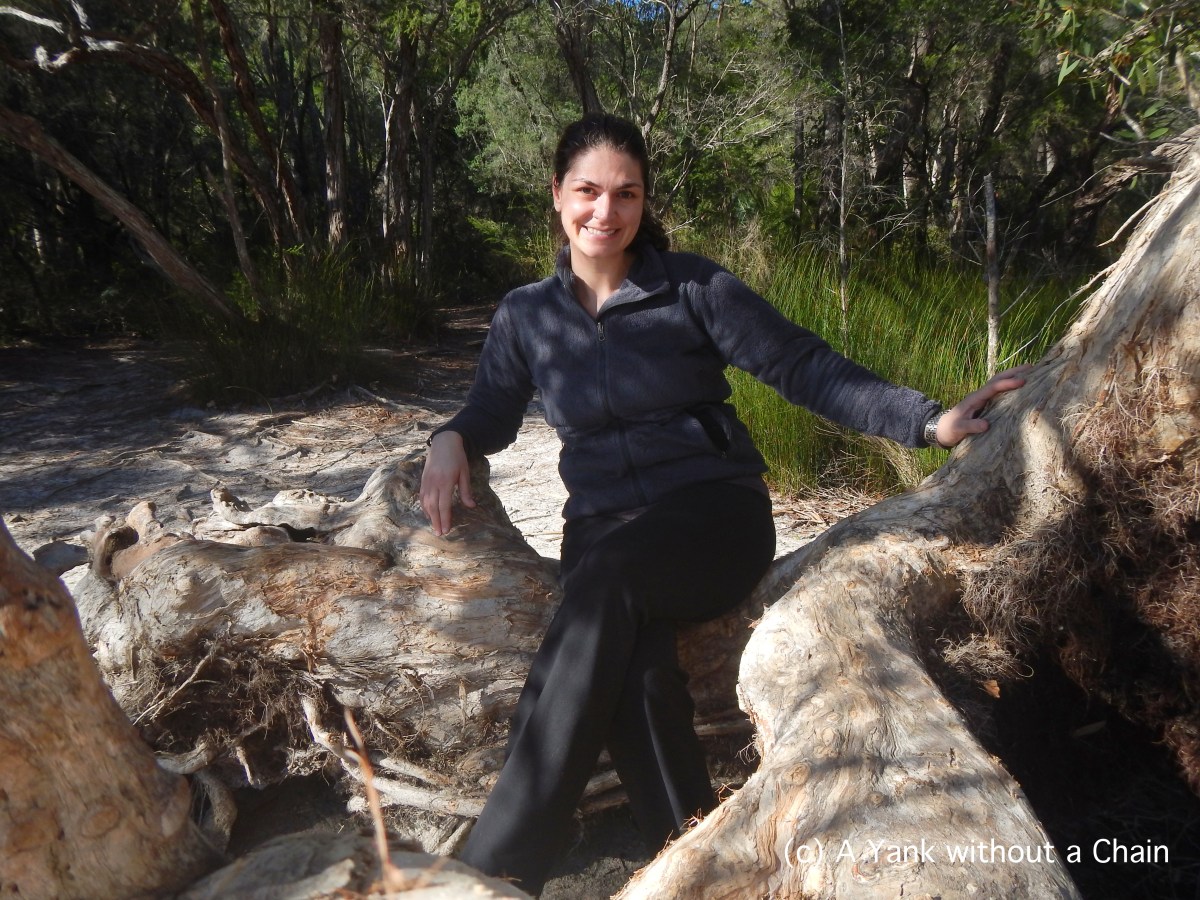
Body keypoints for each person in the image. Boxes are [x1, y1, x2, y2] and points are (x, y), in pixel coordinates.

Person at [420, 113, 1028, 894]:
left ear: (644, 201)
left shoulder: (693, 288)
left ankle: (493, 868)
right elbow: (491, 410)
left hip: (712, 515)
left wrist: (923, 419)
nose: (605, 212)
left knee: (607, 587)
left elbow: (801, 366)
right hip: (603, 530)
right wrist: (451, 437)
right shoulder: (526, 316)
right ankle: (691, 855)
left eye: (625, 194)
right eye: (588, 192)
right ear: (556, 195)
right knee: (635, 673)